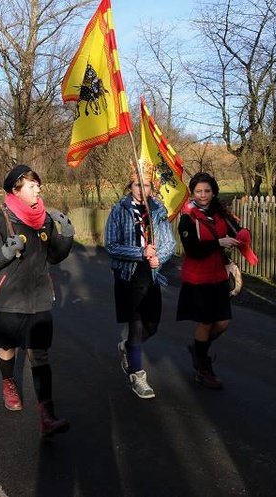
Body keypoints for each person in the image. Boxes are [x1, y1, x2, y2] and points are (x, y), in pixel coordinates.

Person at [0, 164, 75, 438]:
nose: (38, 189)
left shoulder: (44, 220)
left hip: (39, 297)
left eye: (38, 185)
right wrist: (6, 253)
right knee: (7, 346)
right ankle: (8, 382)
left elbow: (55, 256)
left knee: (40, 354)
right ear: (15, 191)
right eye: (32, 186)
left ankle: (47, 415)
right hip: (8, 298)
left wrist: (66, 235)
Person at [177, 172, 257, 389]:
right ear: (192, 193)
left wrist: (242, 240)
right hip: (198, 277)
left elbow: (237, 231)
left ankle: (198, 349)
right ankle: (202, 368)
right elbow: (192, 249)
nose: (203, 195)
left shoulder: (220, 213)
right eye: (198, 191)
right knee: (206, 322)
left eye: (207, 191)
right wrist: (218, 243)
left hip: (218, 275)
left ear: (213, 192)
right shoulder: (187, 218)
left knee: (222, 323)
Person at [104, 159, 176, 399]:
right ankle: (137, 374)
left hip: (152, 275)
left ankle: (127, 348)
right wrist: (140, 252)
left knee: (151, 326)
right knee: (135, 325)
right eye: (136, 184)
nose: (140, 189)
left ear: (151, 188)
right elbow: (111, 245)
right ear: (130, 185)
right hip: (129, 275)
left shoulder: (158, 211)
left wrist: (160, 258)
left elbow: (169, 243)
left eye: (145, 185)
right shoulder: (119, 209)